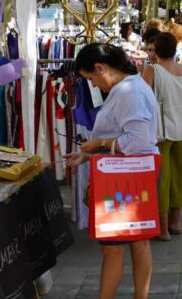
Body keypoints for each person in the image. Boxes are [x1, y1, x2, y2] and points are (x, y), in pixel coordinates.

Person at [64, 43, 158, 299]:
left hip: (126, 177)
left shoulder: (129, 91)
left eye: (91, 78)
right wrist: (88, 154)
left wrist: (99, 144)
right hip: (134, 172)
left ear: (100, 68)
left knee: (113, 247)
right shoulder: (130, 87)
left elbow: (136, 139)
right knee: (138, 241)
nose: (93, 85)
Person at [142, 33, 182, 240]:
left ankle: (163, 227)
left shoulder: (152, 70)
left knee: (162, 179)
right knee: (178, 177)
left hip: (160, 132)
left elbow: (141, 99)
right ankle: (176, 221)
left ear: (156, 50)